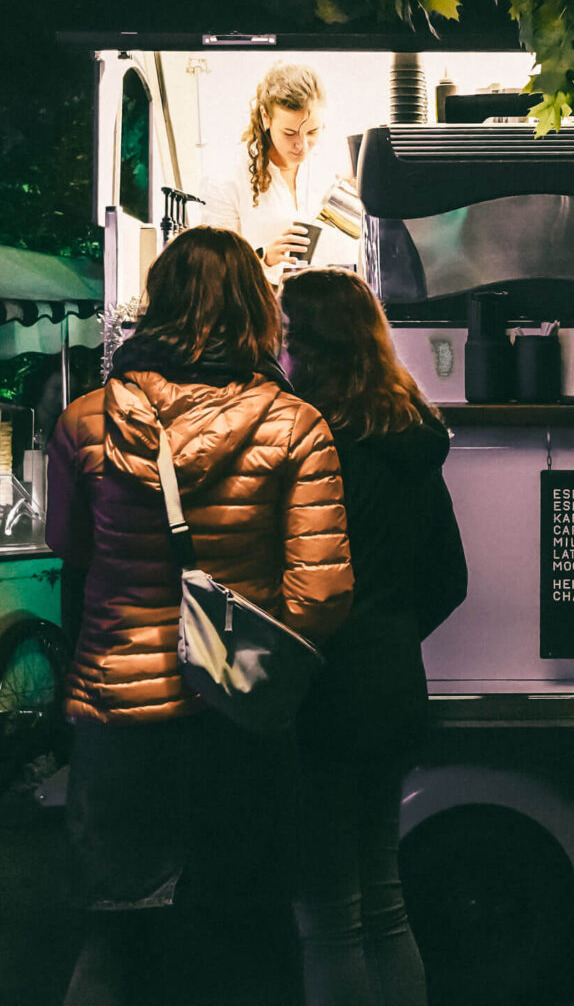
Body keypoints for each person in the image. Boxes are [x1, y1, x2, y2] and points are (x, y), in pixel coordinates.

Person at [46, 226, 354, 1006]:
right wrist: (245, 660)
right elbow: (321, 595)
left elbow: (70, 554)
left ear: (160, 306)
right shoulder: (297, 428)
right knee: (251, 936)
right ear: (259, 310)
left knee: (116, 935)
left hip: (118, 716)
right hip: (237, 722)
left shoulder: (86, 422)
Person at [280, 268, 467, 1006]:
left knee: (328, 918)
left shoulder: (303, 439)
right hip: (393, 685)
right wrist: (388, 632)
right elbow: (450, 580)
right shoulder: (412, 436)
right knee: (384, 901)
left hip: (319, 690)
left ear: (306, 342)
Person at [202, 62, 355, 284]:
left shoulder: (327, 170)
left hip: (324, 307)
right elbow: (212, 266)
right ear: (266, 117)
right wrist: (263, 258)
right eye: (289, 133)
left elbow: (351, 243)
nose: (302, 145)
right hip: (256, 310)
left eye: (312, 131)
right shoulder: (227, 177)